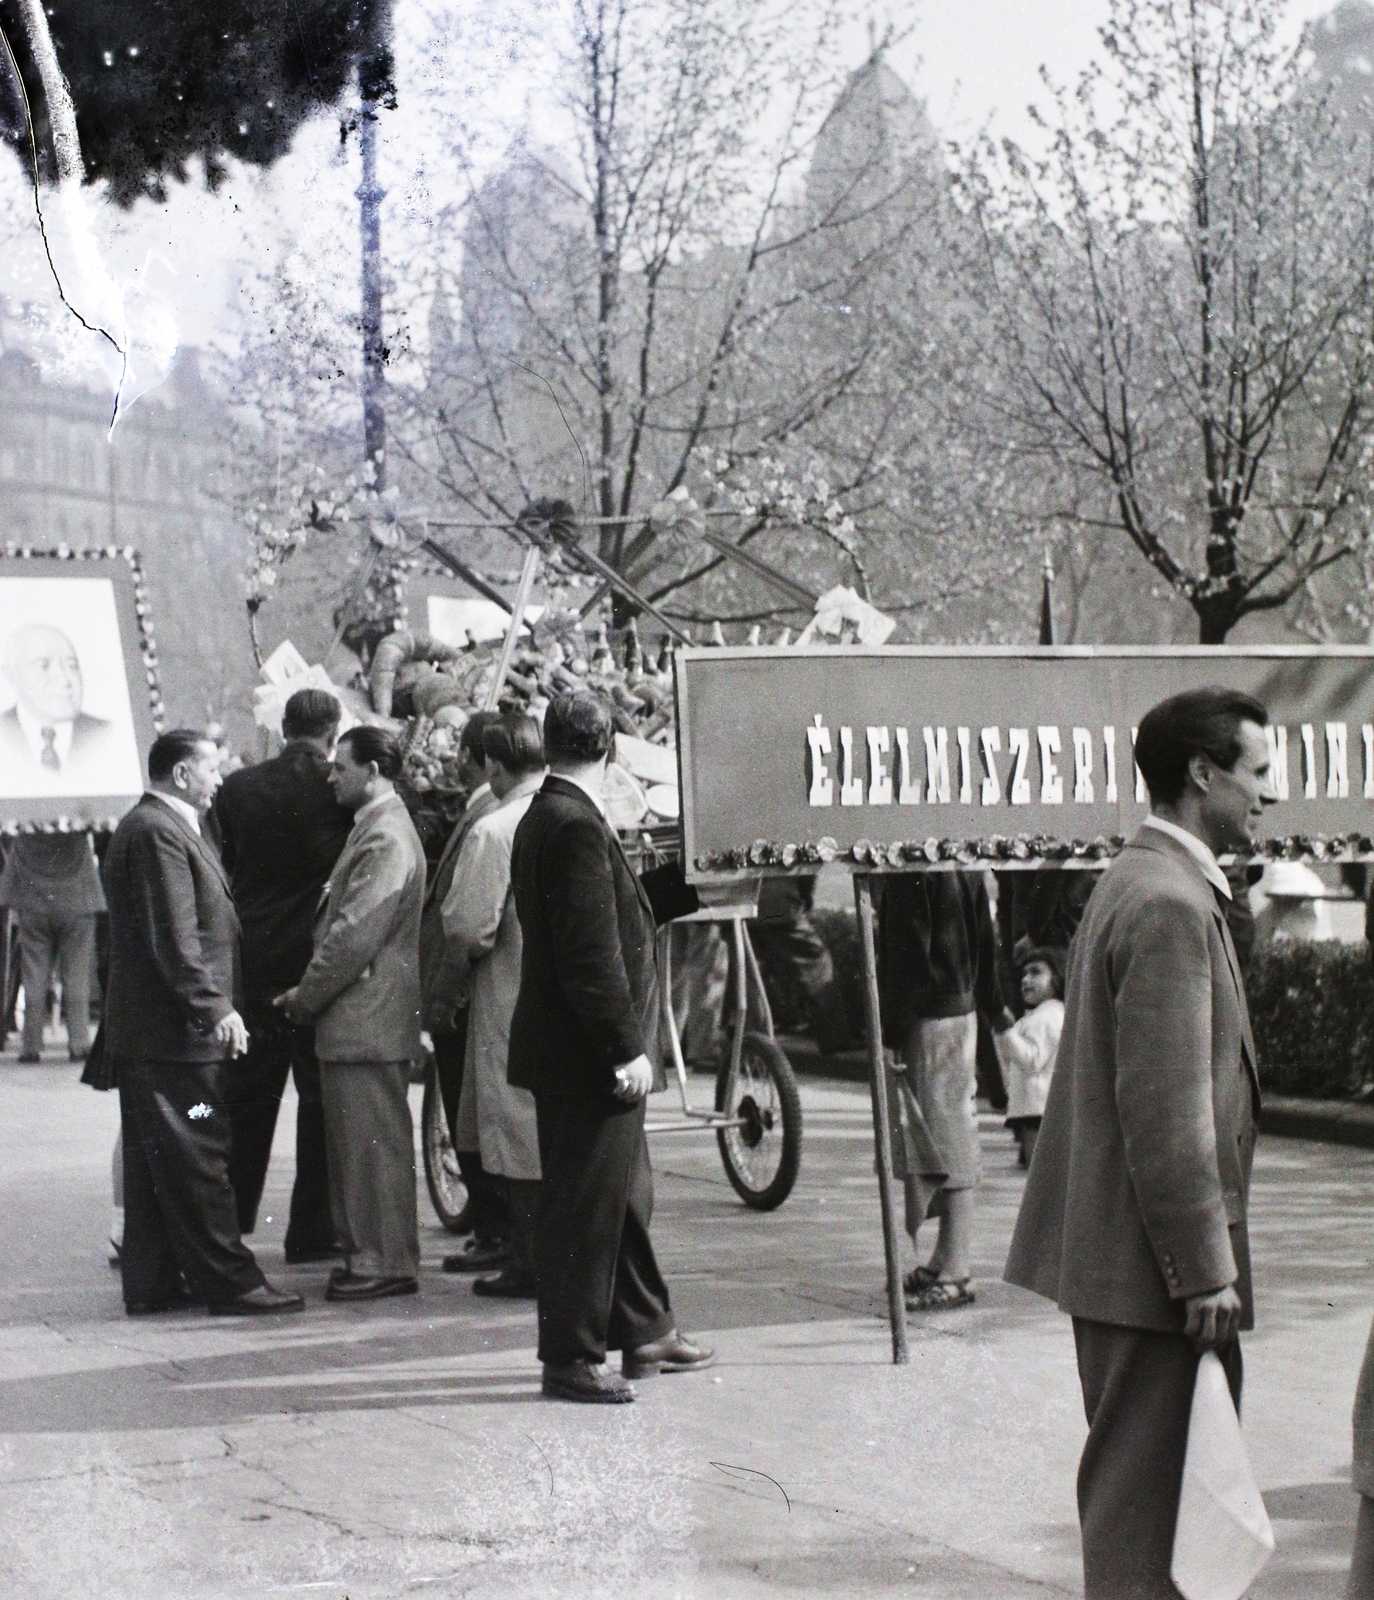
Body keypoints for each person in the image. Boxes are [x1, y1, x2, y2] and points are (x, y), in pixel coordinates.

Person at [1004, 687, 1274, 1600]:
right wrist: (1204, 1268)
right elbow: (1167, 1109)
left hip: (1124, 1259)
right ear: (1204, 774)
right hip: (1156, 1272)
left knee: (1146, 1509)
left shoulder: (1139, 879)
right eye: (1258, 773)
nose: (1267, 796)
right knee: (1146, 1521)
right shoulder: (1167, 902)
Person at [509, 692, 713, 1403]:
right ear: (614, 749)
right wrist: (625, 1049)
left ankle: (645, 1327)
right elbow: (589, 954)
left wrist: (689, 880)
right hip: (587, 1056)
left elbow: (616, 913)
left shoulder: (556, 814)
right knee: (585, 1209)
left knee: (622, 1197)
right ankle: (568, 1356)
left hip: (572, 1051)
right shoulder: (574, 825)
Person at [104, 729, 302, 1316]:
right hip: (176, 1043)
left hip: (163, 1041)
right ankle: (231, 1282)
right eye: (211, 768)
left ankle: (155, 1281)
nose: (221, 778)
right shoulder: (156, 833)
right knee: (200, 1153)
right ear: (182, 775)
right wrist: (214, 1009)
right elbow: (175, 934)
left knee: (154, 1163)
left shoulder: (163, 827)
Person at [278, 726, 427, 1303]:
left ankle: (384, 1260)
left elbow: (351, 936)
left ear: (374, 771)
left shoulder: (385, 837)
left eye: (341, 767)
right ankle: (371, 1254)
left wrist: (306, 997)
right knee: (362, 1148)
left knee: (373, 1149)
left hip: (366, 1018)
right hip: (362, 1019)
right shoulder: (374, 830)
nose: (331, 776)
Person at [213, 688, 354, 1262]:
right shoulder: (335, 790)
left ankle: (233, 1217)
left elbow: (224, 864)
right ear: (331, 731)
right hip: (314, 962)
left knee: (247, 1098)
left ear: (283, 726)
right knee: (317, 1100)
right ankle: (310, 1230)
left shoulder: (239, 787)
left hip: (253, 958)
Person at [442, 714, 546, 1298]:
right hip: (567, 994)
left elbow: (467, 926)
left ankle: (528, 1260)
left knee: (514, 1126)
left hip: (509, 990)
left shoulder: (496, 829)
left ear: (495, 768)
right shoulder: (579, 814)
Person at [877, 869, 1004, 1312]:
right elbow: (987, 935)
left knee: (946, 1141)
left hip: (929, 1015)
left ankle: (957, 1269)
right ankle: (944, 1257)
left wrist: (890, 1029)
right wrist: (990, 999)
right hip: (960, 1007)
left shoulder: (909, 867)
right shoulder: (958, 858)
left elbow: (908, 958)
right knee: (947, 1134)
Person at [418, 709, 509, 1272]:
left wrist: (444, 996)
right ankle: (490, 1225)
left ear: (475, 760)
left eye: (459, 750)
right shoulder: (477, 813)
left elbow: (468, 924)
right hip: (466, 992)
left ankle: (493, 1227)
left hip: (468, 994)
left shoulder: (486, 820)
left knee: (470, 1113)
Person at [0, 831, 105, 1063]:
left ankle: (31, 1046)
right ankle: (79, 1044)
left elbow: (10, 875)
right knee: (76, 976)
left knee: (34, 977)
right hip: (78, 905)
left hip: (33, 906)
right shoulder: (77, 831)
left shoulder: (24, 833)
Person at [0, 623, 119, 780]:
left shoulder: (106, 735)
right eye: (43, 666)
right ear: (12, 676)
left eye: (72, 666)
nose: (64, 679)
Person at [992, 945, 1065, 1169]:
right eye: (1024, 974)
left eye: (1036, 972)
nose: (1026, 980)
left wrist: (1005, 1031)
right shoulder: (1042, 1014)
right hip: (1035, 1107)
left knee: (1038, 1172)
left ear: (1057, 979)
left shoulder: (1048, 1016)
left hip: (1038, 1108)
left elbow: (1031, 1060)